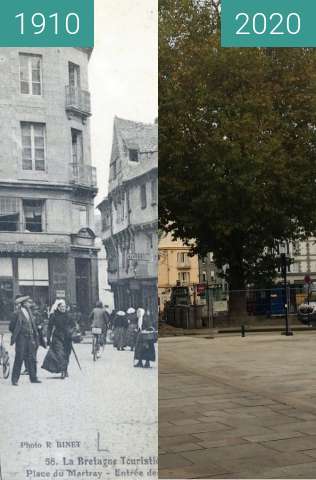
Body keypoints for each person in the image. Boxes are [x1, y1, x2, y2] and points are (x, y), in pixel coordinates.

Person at [10, 295, 41, 386]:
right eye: (28, 302)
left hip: (30, 338)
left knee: (32, 358)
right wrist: (18, 334)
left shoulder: (30, 312)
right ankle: (15, 379)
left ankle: (33, 378)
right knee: (19, 358)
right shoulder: (16, 313)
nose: (30, 303)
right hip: (21, 339)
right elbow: (11, 327)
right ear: (24, 303)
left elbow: (33, 324)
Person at [41, 299, 75, 379]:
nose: (63, 308)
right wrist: (48, 339)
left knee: (67, 354)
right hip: (57, 337)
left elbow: (73, 325)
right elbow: (49, 328)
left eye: (64, 306)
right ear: (58, 307)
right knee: (60, 354)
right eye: (61, 306)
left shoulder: (68, 315)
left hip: (67, 338)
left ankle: (65, 369)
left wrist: (72, 332)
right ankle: (63, 371)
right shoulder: (54, 315)